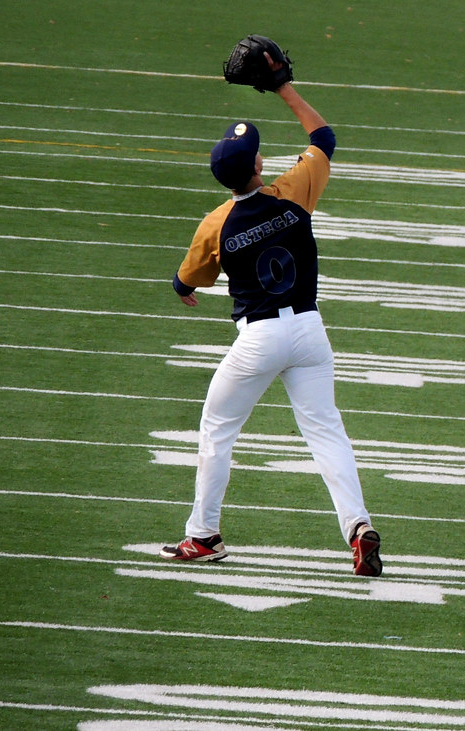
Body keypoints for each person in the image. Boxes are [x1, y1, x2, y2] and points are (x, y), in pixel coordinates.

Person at [158, 60, 382, 577]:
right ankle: (358, 528)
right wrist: (282, 86)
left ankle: (203, 536)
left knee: (218, 429)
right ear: (258, 166)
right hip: (308, 331)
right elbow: (323, 136)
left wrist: (184, 289)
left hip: (258, 337)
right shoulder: (294, 191)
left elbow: (187, 279)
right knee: (327, 433)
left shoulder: (217, 221)